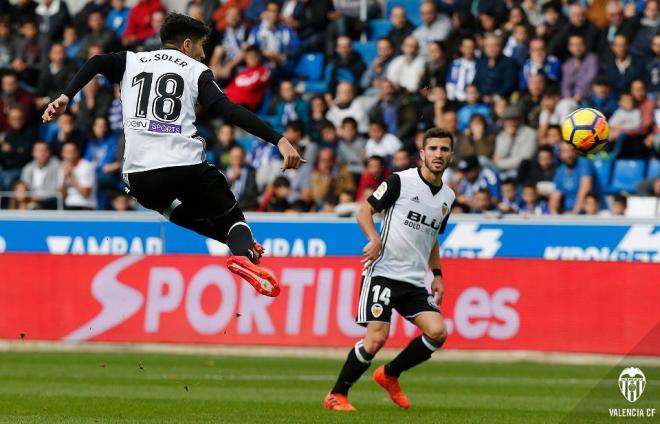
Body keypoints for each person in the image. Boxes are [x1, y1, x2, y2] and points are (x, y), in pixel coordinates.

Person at [42, 13, 304, 297]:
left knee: (167, 207)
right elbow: (228, 109)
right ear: (187, 44)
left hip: (138, 174)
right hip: (183, 164)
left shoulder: (132, 60)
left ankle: (232, 243)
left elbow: (95, 62)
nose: (204, 54)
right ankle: (239, 246)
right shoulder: (195, 70)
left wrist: (66, 96)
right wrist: (278, 139)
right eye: (202, 47)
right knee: (232, 215)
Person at [324, 128, 455, 411]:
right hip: (382, 273)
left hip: (412, 281)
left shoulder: (448, 197)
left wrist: (438, 275)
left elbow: (433, 238)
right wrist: (374, 239)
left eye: (444, 149)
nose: (438, 154)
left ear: (450, 155)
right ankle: (337, 394)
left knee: (438, 332)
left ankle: (390, 374)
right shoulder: (400, 181)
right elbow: (363, 211)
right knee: (376, 339)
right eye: (432, 149)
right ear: (422, 153)